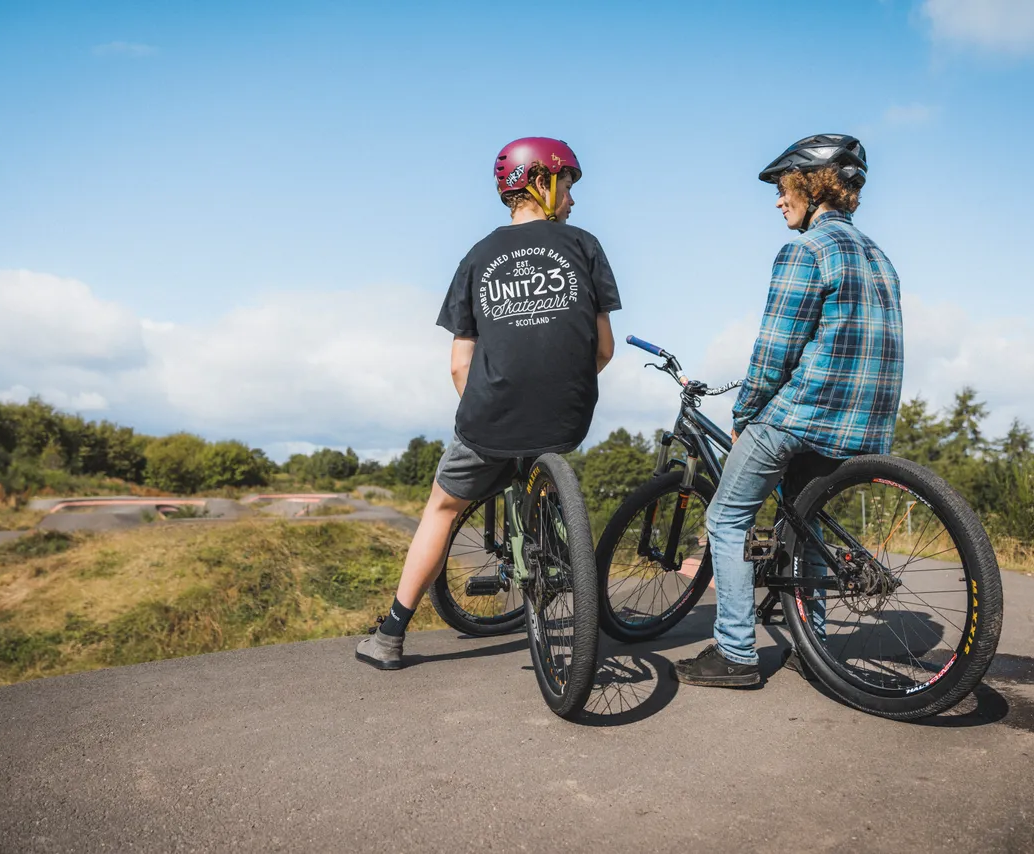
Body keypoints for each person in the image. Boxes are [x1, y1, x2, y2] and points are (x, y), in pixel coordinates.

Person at [356, 137, 621, 670]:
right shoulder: (584, 246)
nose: (572, 198)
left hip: (491, 415)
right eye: (567, 183)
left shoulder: (477, 256)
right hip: (567, 415)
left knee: (442, 507)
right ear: (542, 183)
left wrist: (487, 407)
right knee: (542, 453)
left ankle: (388, 636)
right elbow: (604, 350)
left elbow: (459, 364)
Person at [673, 134, 904, 688]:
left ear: (810, 185)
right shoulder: (880, 257)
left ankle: (734, 652)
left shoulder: (805, 251)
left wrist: (745, 410)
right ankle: (811, 646)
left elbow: (774, 351)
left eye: (783, 188)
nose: (778, 201)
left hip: (799, 415)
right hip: (863, 425)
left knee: (726, 518)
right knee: (807, 526)